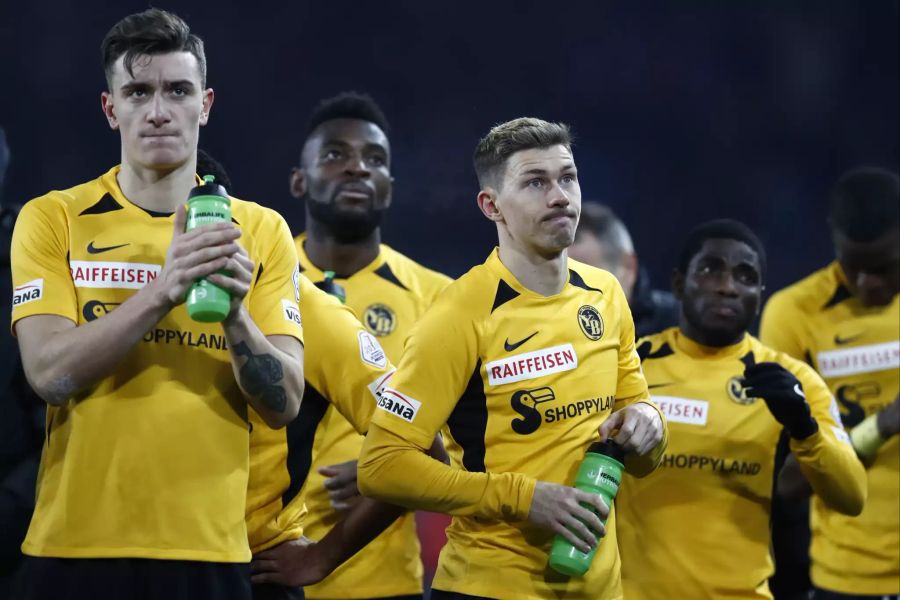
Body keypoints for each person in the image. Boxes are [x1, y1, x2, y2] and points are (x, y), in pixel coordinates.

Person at [8, 9, 305, 599]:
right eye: (138, 92)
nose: (159, 110)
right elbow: (48, 375)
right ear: (110, 108)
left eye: (178, 90)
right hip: (73, 545)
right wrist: (164, 288)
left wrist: (237, 316)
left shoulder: (261, 229)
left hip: (209, 550)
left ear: (206, 103)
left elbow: (284, 403)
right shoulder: (52, 217)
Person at [358, 117, 668, 599]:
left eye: (567, 177)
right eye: (535, 182)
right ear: (492, 206)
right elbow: (382, 465)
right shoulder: (459, 315)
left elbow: (640, 438)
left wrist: (649, 421)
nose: (560, 196)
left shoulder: (605, 294)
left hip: (600, 587)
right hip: (490, 584)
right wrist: (525, 499)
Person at [615, 219, 866, 600]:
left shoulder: (794, 379)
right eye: (710, 269)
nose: (727, 286)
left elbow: (852, 496)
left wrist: (804, 427)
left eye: (745, 276)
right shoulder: (631, 365)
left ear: (759, 295)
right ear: (680, 284)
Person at [280, 91, 451, 600]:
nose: (357, 168)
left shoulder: (440, 299)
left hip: (380, 583)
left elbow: (471, 450)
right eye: (336, 155)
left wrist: (392, 472)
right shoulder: (258, 276)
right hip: (259, 564)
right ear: (299, 180)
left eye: (374, 160)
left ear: (390, 189)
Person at [762, 167, 899, 600]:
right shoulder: (794, 314)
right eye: (852, 267)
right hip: (850, 580)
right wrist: (880, 427)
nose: (866, 283)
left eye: (883, 268)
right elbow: (786, 482)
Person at [568, 202, 678, 338]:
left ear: (628, 267)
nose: (569, 293)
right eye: (561, 277)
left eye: (585, 278)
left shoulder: (684, 328)